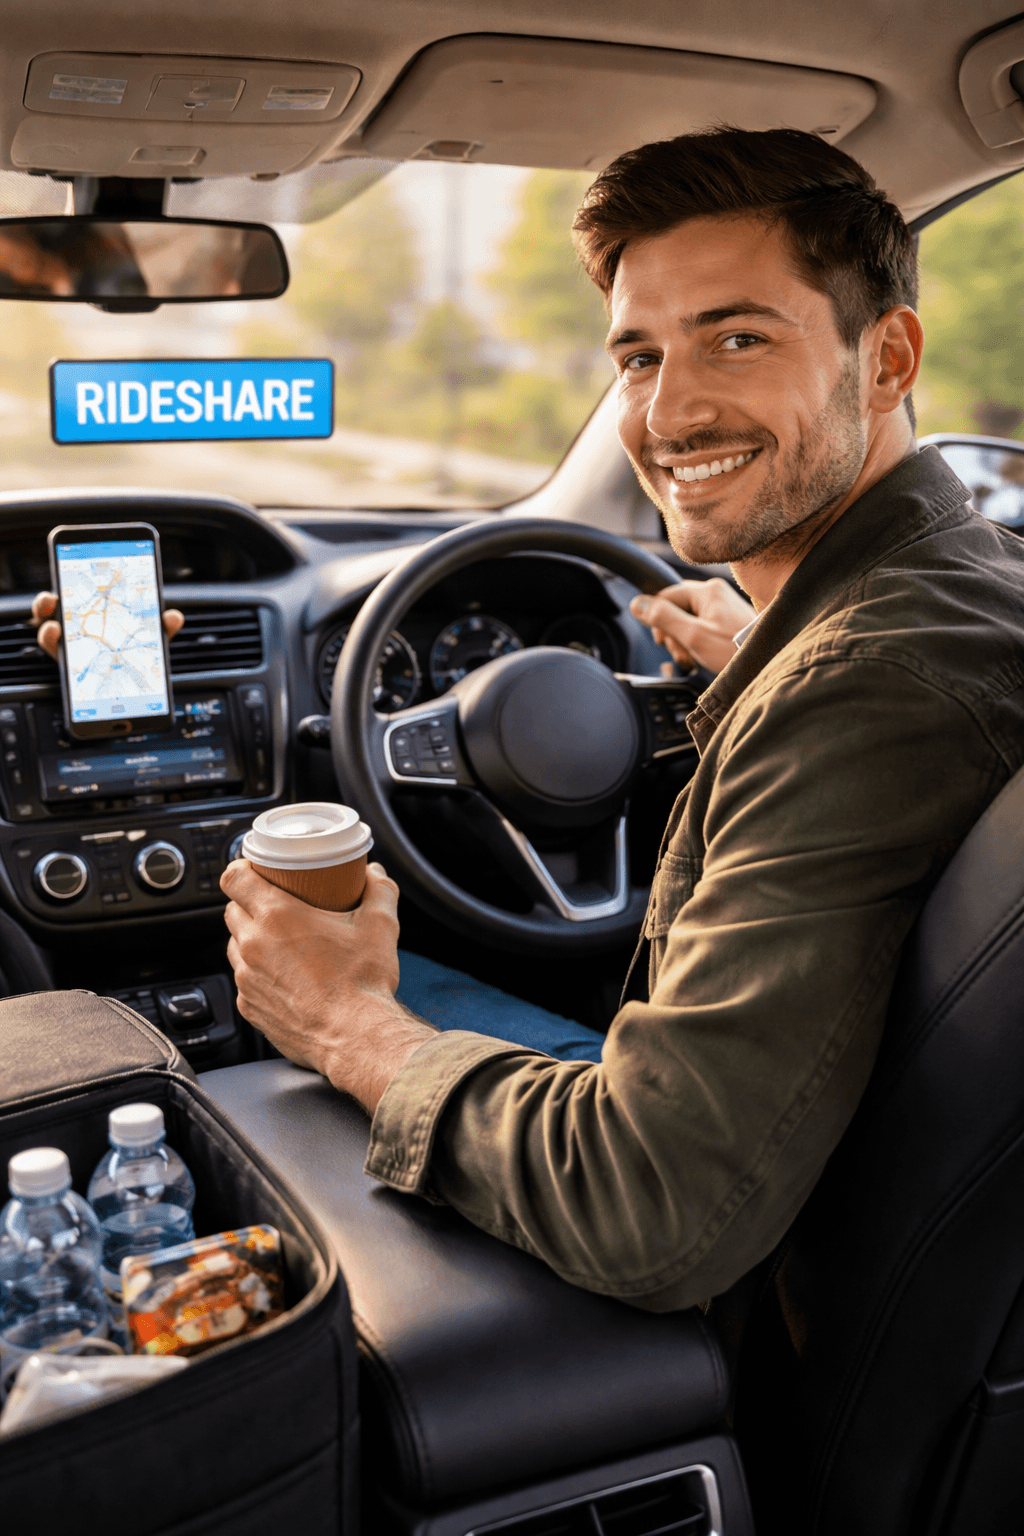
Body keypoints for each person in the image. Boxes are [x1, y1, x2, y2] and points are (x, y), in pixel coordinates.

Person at [34, 127, 1024, 1314]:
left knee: (286, 1028)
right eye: (638, 357)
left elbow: (649, 1204)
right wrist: (758, 654)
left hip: (767, 1300)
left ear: (889, 357)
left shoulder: (864, 684)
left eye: (739, 338)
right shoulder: (963, 584)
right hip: (857, 1198)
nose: (668, 412)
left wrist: (344, 1021)